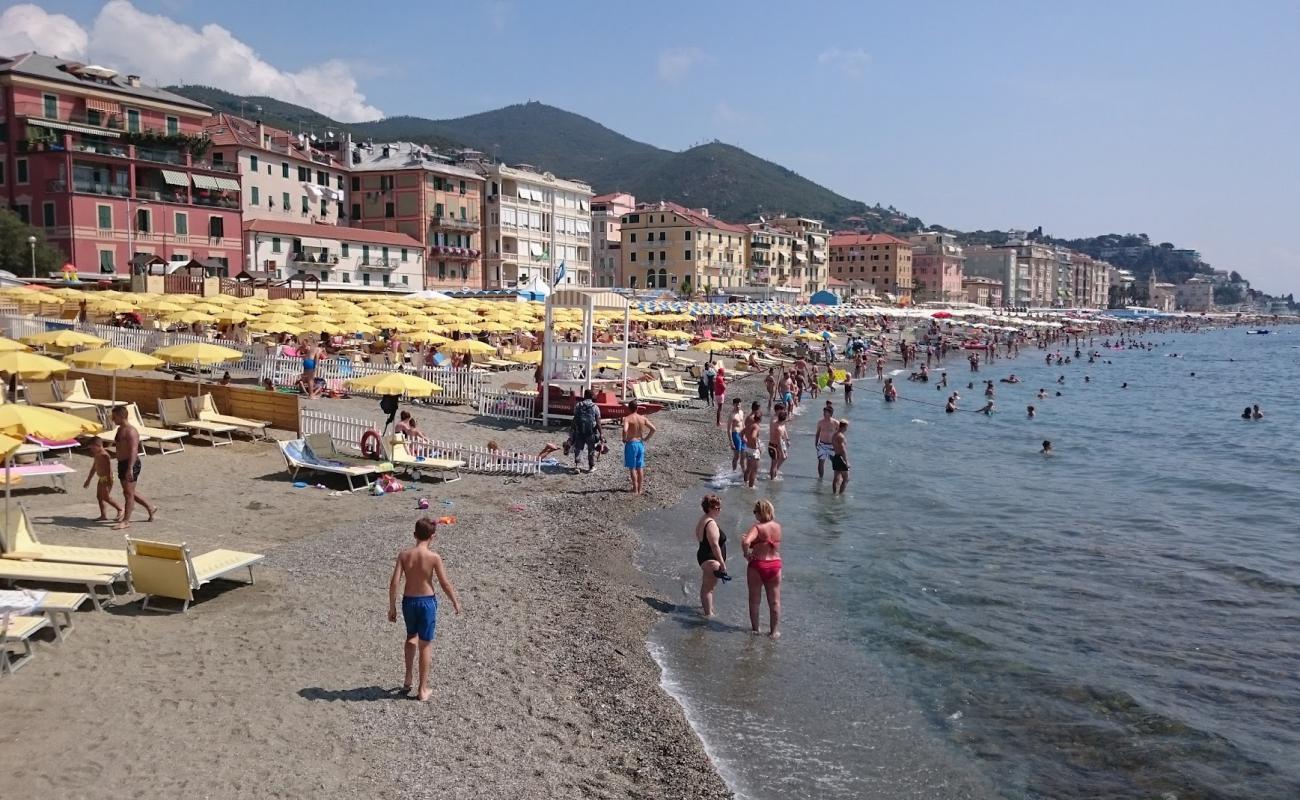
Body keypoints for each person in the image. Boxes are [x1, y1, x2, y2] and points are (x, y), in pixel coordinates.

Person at [387, 518, 462, 702]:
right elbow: (444, 583)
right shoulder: (433, 557)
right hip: (427, 602)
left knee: (411, 636)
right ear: (433, 537)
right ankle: (422, 689)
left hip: (409, 602)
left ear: (414, 535)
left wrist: (392, 607)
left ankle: (407, 678)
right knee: (425, 643)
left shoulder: (404, 555)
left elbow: (394, 582)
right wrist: (455, 601)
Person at [742, 499, 783, 639]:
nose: (754, 515)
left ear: (761, 513)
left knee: (754, 600)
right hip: (775, 566)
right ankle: (774, 632)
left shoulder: (757, 527)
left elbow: (747, 542)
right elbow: (769, 543)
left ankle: (755, 630)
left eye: (755, 512)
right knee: (775, 601)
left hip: (758, 565)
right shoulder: (778, 527)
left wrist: (746, 554)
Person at [111, 405, 155, 530]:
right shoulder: (120, 429)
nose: (112, 419)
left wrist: (130, 468)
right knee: (129, 492)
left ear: (120, 416)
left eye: (114, 417)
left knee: (128, 494)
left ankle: (126, 521)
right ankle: (150, 508)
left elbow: (134, 451)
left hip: (131, 463)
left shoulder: (131, 431)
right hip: (122, 463)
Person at [694, 495, 728, 617]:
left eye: (720, 507)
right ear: (709, 508)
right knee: (709, 588)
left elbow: (698, 536)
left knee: (706, 586)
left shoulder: (703, 519)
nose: (719, 510)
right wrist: (722, 564)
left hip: (704, 556)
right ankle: (708, 615)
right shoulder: (711, 523)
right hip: (711, 559)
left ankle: (705, 608)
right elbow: (714, 545)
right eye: (717, 508)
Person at [621, 399, 656, 495]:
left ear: (629, 408)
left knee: (632, 467)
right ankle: (640, 489)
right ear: (637, 408)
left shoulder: (627, 418)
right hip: (640, 444)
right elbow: (653, 429)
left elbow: (625, 430)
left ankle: (635, 489)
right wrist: (646, 438)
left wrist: (624, 438)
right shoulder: (643, 418)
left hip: (631, 444)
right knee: (640, 467)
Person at [82, 438, 122, 522]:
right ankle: (103, 515)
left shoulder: (105, 455)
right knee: (99, 497)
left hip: (107, 478)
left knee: (106, 497)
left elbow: (109, 469)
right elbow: (94, 468)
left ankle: (120, 509)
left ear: (98, 446)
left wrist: (109, 480)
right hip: (101, 478)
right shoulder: (97, 454)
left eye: (92, 448)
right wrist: (88, 480)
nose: (91, 450)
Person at [570, 389, 602, 472]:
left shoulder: (578, 405)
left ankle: (577, 466)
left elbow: (575, 418)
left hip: (579, 431)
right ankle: (591, 467)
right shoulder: (595, 407)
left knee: (579, 448)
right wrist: (601, 433)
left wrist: (572, 430)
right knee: (591, 449)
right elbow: (598, 422)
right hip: (590, 432)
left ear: (584, 396)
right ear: (591, 396)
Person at [814, 405, 838, 479]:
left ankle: (836, 477)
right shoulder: (820, 422)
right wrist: (816, 443)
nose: (824, 414)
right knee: (821, 462)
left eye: (825, 412)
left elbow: (839, 434)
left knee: (835, 462)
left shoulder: (836, 423)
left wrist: (839, 445)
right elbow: (818, 433)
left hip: (832, 446)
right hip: (822, 445)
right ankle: (820, 478)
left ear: (830, 413)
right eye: (823, 412)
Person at [741, 408, 762, 488]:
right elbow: (753, 436)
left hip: (747, 448)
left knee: (748, 468)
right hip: (753, 450)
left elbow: (741, 433)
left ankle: (745, 482)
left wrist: (746, 441)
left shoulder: (749, 425)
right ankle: (751, 487)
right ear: (760, 419)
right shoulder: (756, 426)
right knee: (754, 470)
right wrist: (757, 446)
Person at [768, 404, 789, 480]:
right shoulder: (774, 420)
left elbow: (784, 427)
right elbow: (778, 431)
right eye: (782, 409)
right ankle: (772, 477)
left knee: (784, 457)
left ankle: (775, 470)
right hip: (775, 443)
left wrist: (787, 439)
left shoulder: (781, 419)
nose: (783, 411)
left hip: (780, 441)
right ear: (777, 410)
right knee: (775, 462)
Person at [831, 419, 850, 495]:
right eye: (846, 427)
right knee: (846, 478)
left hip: (835, 457)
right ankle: (840, 495)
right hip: (840, 458)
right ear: (844, 427)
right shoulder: (841, 436)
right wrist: (846, 461)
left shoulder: (835, 435)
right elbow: (843, 449)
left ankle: (834, 494)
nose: (847, 429)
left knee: (836, 477)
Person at [727, 398, 745, 471]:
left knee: (743, 454)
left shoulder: (741, 412)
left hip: (742, 434)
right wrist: (731, 442)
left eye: (739, 404)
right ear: (733, 405)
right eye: (736, 404)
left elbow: (743, 424)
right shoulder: (732, 415)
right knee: (737, 456)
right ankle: (733, 471)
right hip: (736, 435)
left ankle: (744, 472)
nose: (738, 406)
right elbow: (728, 429)